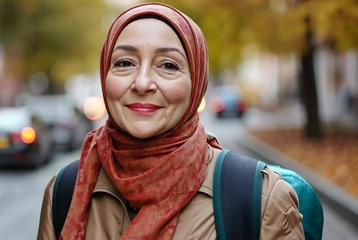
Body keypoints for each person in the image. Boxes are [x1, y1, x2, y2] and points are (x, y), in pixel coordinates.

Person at [38, 2, 304, 239]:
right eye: (124, 62)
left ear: (197, 82)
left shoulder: (261, 199)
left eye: (168, 66)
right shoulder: (65, 191)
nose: (142, 82)